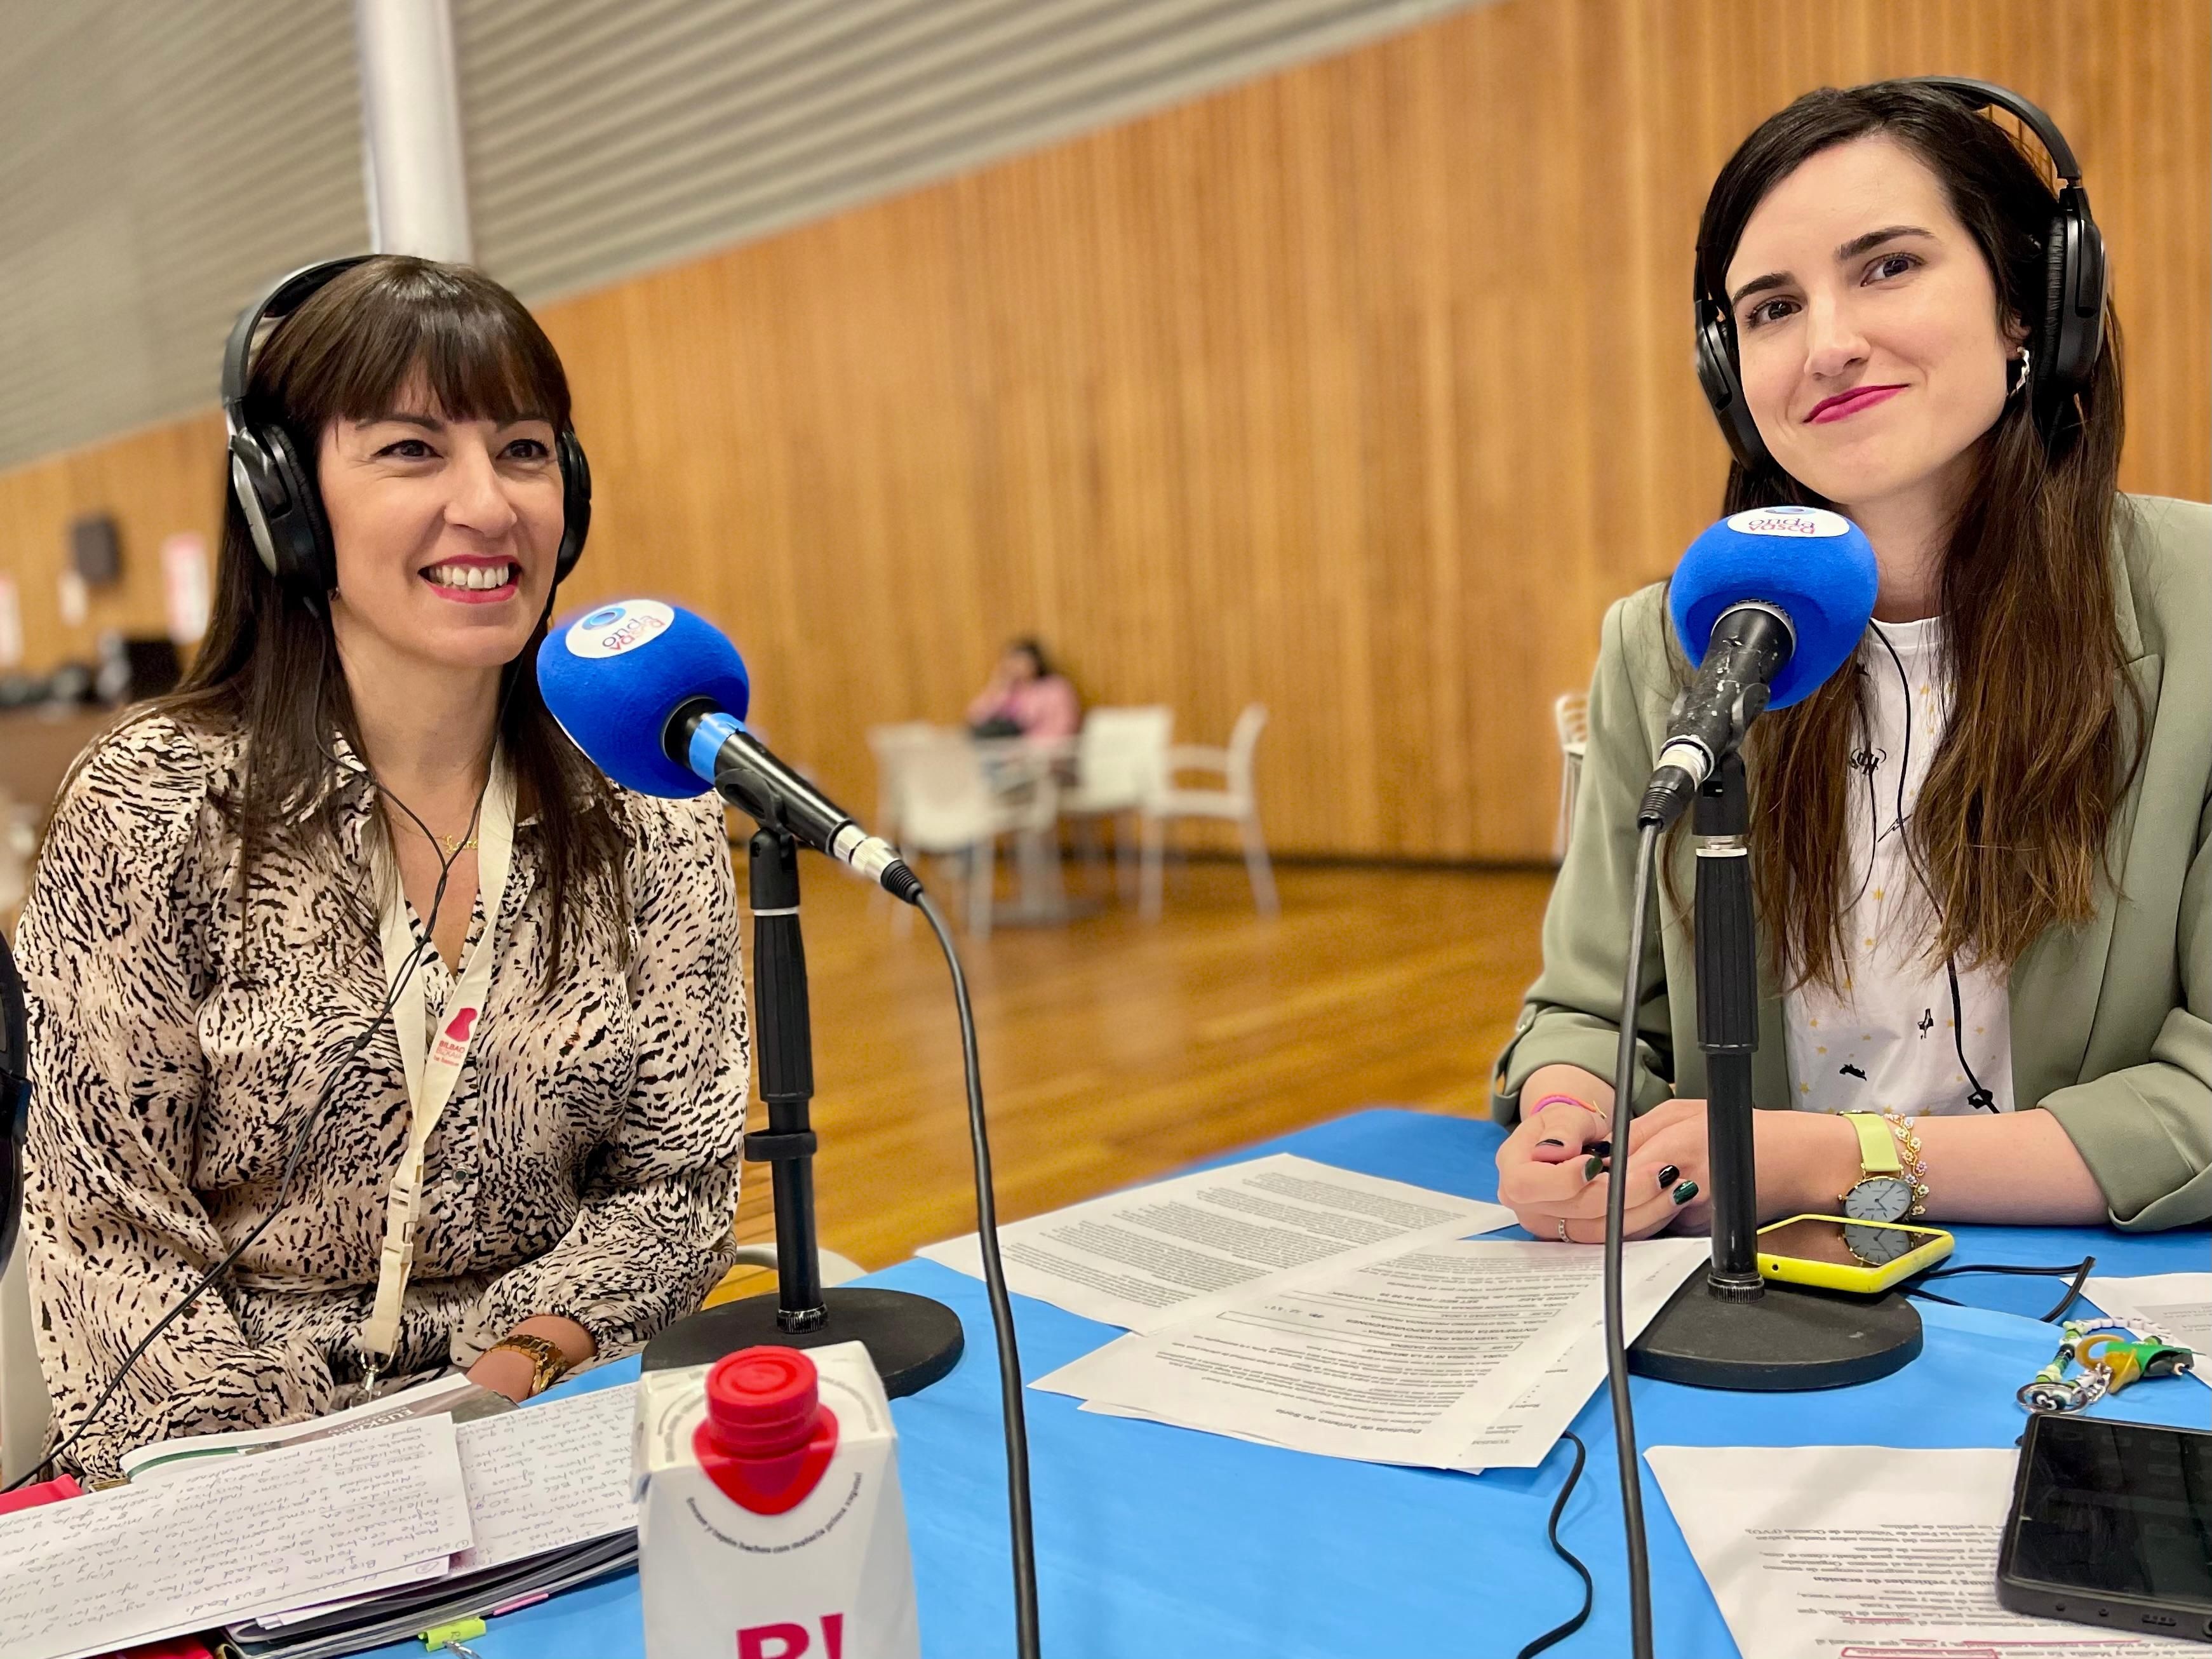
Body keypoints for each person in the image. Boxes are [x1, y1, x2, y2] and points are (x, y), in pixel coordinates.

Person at [14, 255, 750, 1482]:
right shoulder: (155, 804)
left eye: (522, 450)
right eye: (412, 451)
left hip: (538, 1419)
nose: (488, 504)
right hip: (228, 1456)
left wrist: (511, 1374)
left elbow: (675, 1183)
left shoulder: (638, 795)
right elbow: (104, 1230)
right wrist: (293, 1494)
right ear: (284, 501)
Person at [1491, 81, 2208, 1243]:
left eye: (1886, 267)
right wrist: (1567, 1112)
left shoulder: (2203, 613)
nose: (1826, 344)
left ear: (2031, 305)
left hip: (2080, 1298)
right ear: (1729, 377)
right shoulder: (1662, 641)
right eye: (1770, 307)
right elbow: (1591, 1008)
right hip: (1764, 1293)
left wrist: (1839, 1163)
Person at [967, 638, 1081, 742]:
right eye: (1012, 661)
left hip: (1042, 754)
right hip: (1004, 753)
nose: (1015, 666)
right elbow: (976, 718)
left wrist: (1030, 749)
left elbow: (1065, 725)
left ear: (1036, 662)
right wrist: (997, 687)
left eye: (1021, 660)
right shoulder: (1009, 690)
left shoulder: (1055, 687)